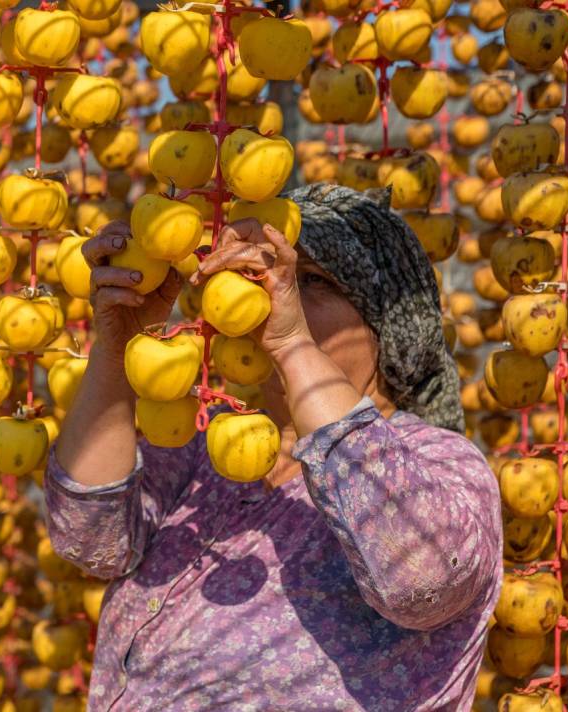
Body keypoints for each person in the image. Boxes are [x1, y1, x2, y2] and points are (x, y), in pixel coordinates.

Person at [45, 184, 503, 711]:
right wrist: (119, 343)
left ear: (383, 327)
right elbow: (88, 539)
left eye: (311, 282)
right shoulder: (206, 444)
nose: (271, 295)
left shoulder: (443, 463)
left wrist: (291, 342)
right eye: (256, 276)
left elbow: (420, 580)